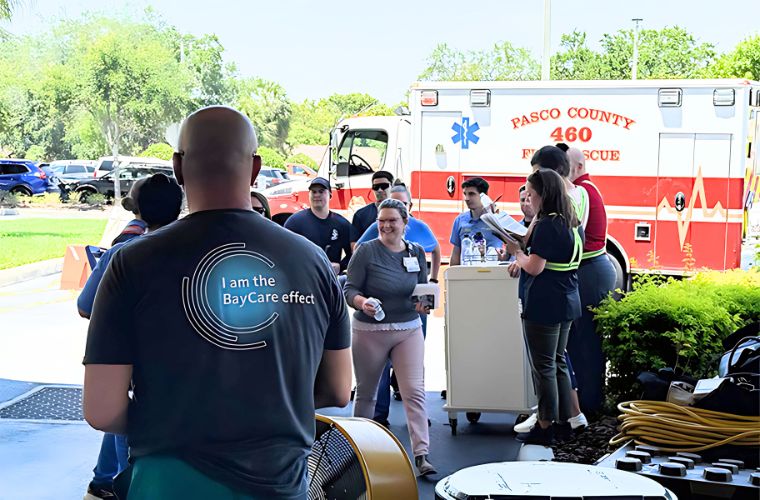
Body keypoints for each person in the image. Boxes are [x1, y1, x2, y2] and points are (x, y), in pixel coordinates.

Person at [82, 106, 351, 499]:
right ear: (256, 168)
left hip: (169, 482)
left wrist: (172, 418)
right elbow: (339, 389)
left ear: (177, 167)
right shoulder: (313, 262)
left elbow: (102, 409)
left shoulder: (132, 262)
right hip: (281, 482)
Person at [79, 173, 184, 500]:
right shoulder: (197, 253)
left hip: (137, 372)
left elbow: (86, 305)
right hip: (188, 378)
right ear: (179, 208)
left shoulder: (122, 254)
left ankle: (111, 483)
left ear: (137, 211)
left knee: (129, 445)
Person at [344, 198, 437, 476]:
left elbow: (422, 289)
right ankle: (356, 454)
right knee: (366, 395)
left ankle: (422, 455)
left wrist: (426, 304)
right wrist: (362, 303)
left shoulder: (417, 252)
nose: (385, 225)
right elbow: (350, 289)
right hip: (370, 331)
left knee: (414, 392)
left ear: (405, 223)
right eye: (381, 220)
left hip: (408, 328)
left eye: (392, 220)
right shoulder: (366, 252)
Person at [504, 168, 583, 445]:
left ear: (542, 195)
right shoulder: (570, 220)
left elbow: (535, 267)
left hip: (545, 303)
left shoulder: (548, 225)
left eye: (530, 193)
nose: (527, 197)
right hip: (567, 299)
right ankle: (563, 422)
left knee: (544, 367)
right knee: (558, 361)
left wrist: (517, 253)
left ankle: (545, 424)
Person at [357, 184, 441, 426]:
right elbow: (358, 252)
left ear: (409, 210)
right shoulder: (377, 228)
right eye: (391, 203)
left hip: (411, 311)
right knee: (380, 367)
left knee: (412, 366)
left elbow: (435, 249)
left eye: (401, 204)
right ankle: (378, 416)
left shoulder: (419, 229)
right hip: (381, 315)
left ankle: (417, 416)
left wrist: (432, 280)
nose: (393, 213)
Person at [566, 147, 617, 413]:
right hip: (592, 268)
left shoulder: (580, 192)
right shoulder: (587, 188)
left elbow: (572, 233)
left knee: (586, 341)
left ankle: (589, 403)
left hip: (590, 269)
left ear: (576, 166)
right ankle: (588, 402)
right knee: (584, 340)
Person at [285, 177, 355, 274]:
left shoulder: (342, 224)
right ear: (309, 195)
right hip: (302, 278)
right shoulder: (294, 222)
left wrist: (341, 266)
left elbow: (354, 254)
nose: (317, 195)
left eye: (321, 191)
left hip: (329, 280)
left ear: (330, 195)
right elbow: (284, 252)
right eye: (313, 192)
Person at [449, 177, 503, 266]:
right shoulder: (460, 220)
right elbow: (456, 253)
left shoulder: (496, 220)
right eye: (465, 194)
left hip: (491, 273)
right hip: (467, 273)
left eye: (471, 194)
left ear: (483, 196)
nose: (466, 198)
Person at [351, 171, 394, 240]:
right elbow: (354, 243)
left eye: (384, 186)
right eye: (376, 187)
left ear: (392, 187)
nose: (379, 190)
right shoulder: (360, 215)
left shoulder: (402, 213)